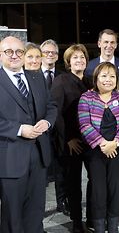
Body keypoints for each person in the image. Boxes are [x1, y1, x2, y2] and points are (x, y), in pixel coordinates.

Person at [0, 36, 57, 233]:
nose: (15, 56)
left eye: (19, 52)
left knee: (35, 211)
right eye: (9, 51)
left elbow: (51, 106)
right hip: (10, 159)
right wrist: (19, 129)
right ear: (0, 55)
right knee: (12, 215)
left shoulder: (36, 77)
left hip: (39, 156)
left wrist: (47, 121)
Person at [78, 62, 119, 233]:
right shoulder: (87, 98)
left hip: (117, 150)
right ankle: (100, 227)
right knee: (98, 191)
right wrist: (103, 144)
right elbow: (84, 125)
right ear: (96, 78)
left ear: (116, 79)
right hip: (95, 152)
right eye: (104, 76)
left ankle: (113, 226)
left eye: (112, 76)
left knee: (115, 189)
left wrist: (115, 143)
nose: (108, 79)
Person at [50, 44, 92, 233]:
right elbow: (56, 113)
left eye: (82, 57)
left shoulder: (92, 81)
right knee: (74, 183)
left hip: (91, 140)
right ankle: (76, 221)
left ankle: (92, 216)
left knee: (94, 180)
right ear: (68, 61)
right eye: (75, 57)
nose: (79, 60)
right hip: (71, 142)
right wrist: (67, 139)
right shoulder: (61, 81)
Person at [40, 38, 70, 216]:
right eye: (46, 52)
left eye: (53, 52)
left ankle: (62, 202)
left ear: (57, 56)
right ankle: (39, 207)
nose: (50, 55)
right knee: (41, 173)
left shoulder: (62, 76)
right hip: (40, 130)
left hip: (59, 130)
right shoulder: (31, 74)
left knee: (61, 169)